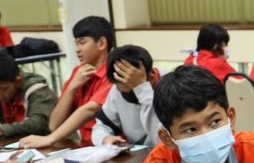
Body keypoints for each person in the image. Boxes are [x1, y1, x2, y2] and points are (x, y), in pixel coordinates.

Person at [23, 44, 161, 149]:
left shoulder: (168, 85)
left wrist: (142, 89)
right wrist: (105, 139)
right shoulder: (117, 89)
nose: (77, 49)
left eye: (82, 42)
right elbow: (100, 126)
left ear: (151, 78)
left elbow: (160, 139)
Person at [50, 15, 116, 145]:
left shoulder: (114, 71)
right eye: (76, 44)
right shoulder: (78, 72)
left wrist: (49, 139)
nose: (77, 50)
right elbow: (54, 125)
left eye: (82, 42)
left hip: (112, 146)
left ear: (102, 43)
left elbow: (90, 110)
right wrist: (71, 88)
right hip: (86, 147)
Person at [0, 49, 59, 140]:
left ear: (18, 81)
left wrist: (1, 130)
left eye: (4, 89)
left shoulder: (37, 90)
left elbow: (38, 124)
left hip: (55, 141)